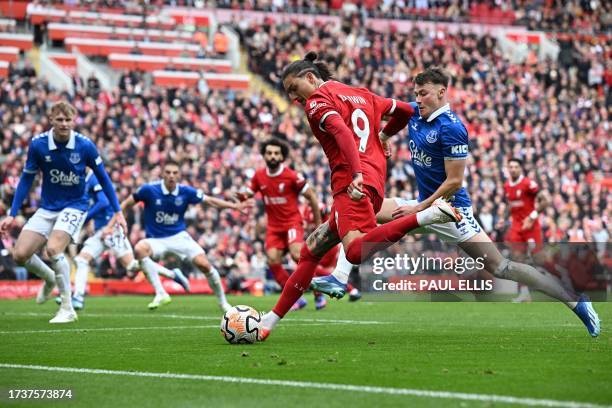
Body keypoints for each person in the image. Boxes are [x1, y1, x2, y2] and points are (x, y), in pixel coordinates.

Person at [315, 67, 600, 337]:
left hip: (452, 211)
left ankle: (575, 301)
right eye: (415, 93)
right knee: (366, 207)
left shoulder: (452, 128)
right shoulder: (415, 113)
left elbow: (454, 183)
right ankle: (339, 276)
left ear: (442, 92)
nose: (417, 99)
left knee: (502, 268)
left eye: (423, 93)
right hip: (423, 205)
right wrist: (384, 135)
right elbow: (393, 115)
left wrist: (418, 208)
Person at [258, 52, 461, 341]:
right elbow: (405, 110)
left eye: (294, 88)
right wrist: (384, 136)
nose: (294, 97)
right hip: (375, 180)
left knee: (354, 251)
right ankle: (270, 320)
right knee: (310, 251)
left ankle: (426, 215)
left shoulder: (318, 101)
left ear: (311, 78)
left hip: (351, 183)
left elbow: (341, 131)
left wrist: (355, 174)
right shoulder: (362, 94)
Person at [0, 101, 126, 323]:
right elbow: (26, 179)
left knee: (53, 249)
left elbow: (104, 179)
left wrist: (119, 211)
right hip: (48, 207)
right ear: (51, 120)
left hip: (75, 205)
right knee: (20, 254)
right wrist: (12, 212)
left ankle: (67, 307)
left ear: (74, 120)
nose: (64, 124)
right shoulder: (38, 145)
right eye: (59, 119)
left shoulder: (85, 145)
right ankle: (50, 279)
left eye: (68, 119)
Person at [121, 161, 252, 311]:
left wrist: (234, 206)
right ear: (162, 174)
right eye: (168, 172)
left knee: (204, 265)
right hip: (156, 239)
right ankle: (161, 293)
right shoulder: (149, 190)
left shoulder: (185, 191)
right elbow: (126, 204)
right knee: (139, 249)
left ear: (179, 175)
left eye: (175, 173)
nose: (171, 176)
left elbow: (209, 200)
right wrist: (121, 221)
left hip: (179, 237)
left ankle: (223, 303)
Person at [59, 170, 190, 310]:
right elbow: (94, 202)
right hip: (100, 230)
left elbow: (103, 202)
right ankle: (78, 296)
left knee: (132, 266)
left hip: (110, 229)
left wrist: (86, 218)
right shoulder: (85, 179)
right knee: (81, 260)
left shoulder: (94, 177)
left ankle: (171, 274)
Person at [237, 137, 327, 310]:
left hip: (292, 223)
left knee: (297, 256)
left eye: (276, 153)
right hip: (274, 227)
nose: (272, 156)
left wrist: (318, 224)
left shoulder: (292, 176)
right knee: (272, 260)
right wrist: (236, 197)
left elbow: (312, 197)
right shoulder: (258, 177)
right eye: (269, 153)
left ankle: (318, 294)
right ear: (264, 155)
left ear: (282, 156)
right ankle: (295, 298)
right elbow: (246, 194)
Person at [504, 157, 547, 303]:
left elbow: (545, 200)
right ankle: (524, 293)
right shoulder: (507, 185)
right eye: (511, 167)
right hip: (517, 228)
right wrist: (504, 218)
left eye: (516, 166)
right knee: (517, 260)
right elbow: (511, 205)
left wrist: (532, 217)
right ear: (508, 169)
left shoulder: (528, 184)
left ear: (520, 168)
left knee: (539, 259)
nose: (513, 169)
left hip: (531, 227)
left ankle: (559, 286)